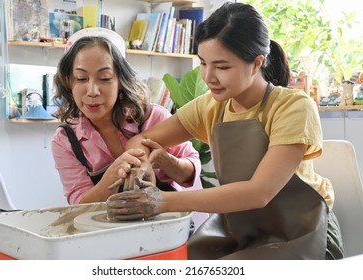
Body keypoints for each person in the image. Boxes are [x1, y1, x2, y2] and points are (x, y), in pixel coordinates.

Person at [106, 2, 344, 260]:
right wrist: (142, 165)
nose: (208, 77)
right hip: (242, 229)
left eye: (222, 67)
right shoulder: (210, 105)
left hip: (302, 232)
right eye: (203, 63)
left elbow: (259, 192)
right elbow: (141, 140)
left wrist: (161, 201)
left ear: (256, 64)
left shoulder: (294, 107)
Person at [51, 27, 202, 207]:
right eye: (81, 78)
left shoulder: (153, 117)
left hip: (166, 226)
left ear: (121, 80)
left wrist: (166, 161)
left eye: (105, 78)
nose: (92, 91)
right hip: (106, 231)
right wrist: (113, 176)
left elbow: (191, 172)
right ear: (68, 81)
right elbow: (78, 205)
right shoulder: (66, 140)